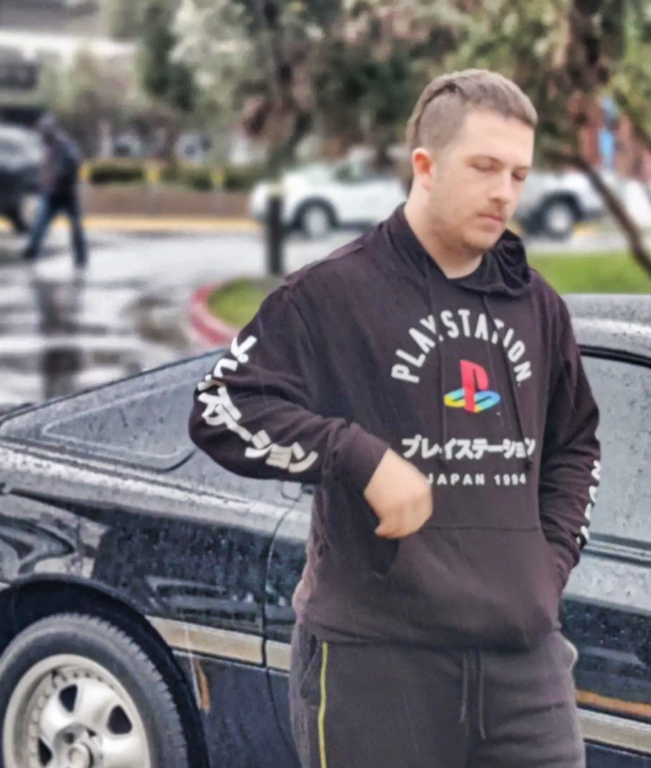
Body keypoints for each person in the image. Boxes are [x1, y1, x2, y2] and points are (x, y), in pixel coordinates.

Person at [189, 69, 601, 768]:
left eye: (519, 174)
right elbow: (222, 408)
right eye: (485, 168)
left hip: (523, 668)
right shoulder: (334, 294)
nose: (505, 191)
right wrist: (357, 456)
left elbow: (575, 445)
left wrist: (545, 567)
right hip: (376, 664)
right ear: (426, 166)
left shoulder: (537, 305)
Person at [22, 114, 88, 270]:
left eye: (44, 131)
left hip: (66, 194)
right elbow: (45, 169)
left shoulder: (65, 145)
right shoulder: (47, 146)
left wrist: (59, 178)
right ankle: (31, 252)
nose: (42, 134)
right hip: (51, 194)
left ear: (51, 130)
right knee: (39, 224)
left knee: (76, 227)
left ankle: (80, 258)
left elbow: (73, 165)